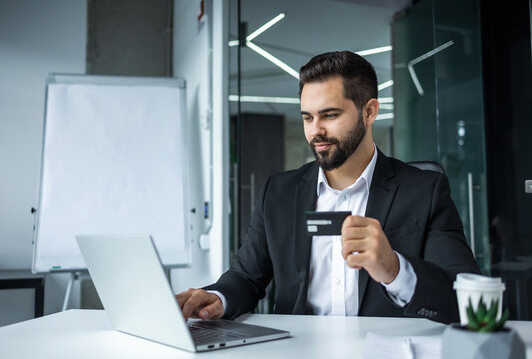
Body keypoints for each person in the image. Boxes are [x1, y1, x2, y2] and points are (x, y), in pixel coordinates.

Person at [176, 51, 480, 324]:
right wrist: (218, 299)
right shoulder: (278, 193)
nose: (315, 130)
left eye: (330, 115)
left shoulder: (424, 190)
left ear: (370, 112)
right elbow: (245, 277)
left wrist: (395, 269)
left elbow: (466, 298)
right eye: (308, 117)